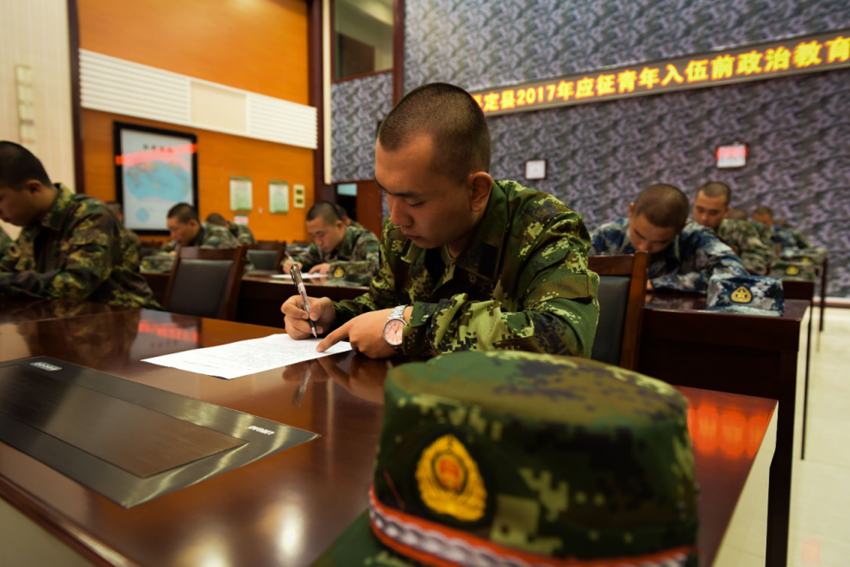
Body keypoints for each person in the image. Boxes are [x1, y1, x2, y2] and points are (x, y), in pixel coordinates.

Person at [281, 83, 599, 359]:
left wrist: (408, 327)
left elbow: (564, 339)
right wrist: (333, 317)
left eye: (414, 201)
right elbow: (382, 306)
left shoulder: (544, 227)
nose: (396, 217)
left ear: (476, 191)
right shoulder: (400, 233)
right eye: (386, 192)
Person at [0, 141, 160, 308]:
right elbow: (7, 268)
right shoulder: (33, 225)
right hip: (72, 319)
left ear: (34, 189)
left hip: (130, 318)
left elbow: (76, 285)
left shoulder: (92, 215)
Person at [591, 183, 747, 292]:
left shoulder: (694, 238)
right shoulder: (608, 235)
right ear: (631, 211)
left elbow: (735, 276)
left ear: (681, 228)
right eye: (638, 234)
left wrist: (661, 284)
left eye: (659, 242)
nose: (644, 247)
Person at [281, 201, 379, 284]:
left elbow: (378, 267)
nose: (318, 242)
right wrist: (288, 264)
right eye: (313, 236)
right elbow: (297, 260)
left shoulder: (364, 239)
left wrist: (334, 269)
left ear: (339, 226)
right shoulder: (319, 248)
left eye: (321, 234)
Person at [692, 182, 772, 275]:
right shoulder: (684, 231)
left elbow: (756, 265)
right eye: (700, 210)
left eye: (713, 213)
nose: (704, 218)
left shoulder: (740, 230)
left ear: (726, 211)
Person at [141, 203, 239, 272]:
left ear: (193, 224)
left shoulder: (218, 234)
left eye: (175, 229)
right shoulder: (183, 239)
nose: (172, 235)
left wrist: (175, 256)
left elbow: (195, 266)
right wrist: (174, 257)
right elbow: (152, 257)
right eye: (170, 230)